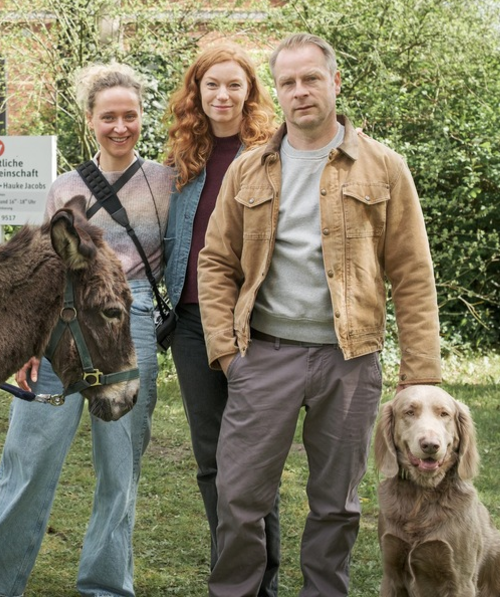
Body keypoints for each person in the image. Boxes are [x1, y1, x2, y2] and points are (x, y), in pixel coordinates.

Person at [198, 33, 442, 597]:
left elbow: (412, 273)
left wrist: (422, 373)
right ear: (277, 92)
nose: (300, 91)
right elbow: (215, 263)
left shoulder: (383, 168)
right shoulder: (249, 169)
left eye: (311, 79)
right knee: (239, 500)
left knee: (336, 505)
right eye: (288, 82)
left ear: (334, 82)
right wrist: (228, 353)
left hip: (349, 362)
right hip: (264, 356)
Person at [0, 63, 173, 597]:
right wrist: (29, 343)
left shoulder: (166, 181)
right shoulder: (64, 187)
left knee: (119, 467)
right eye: (109, 116)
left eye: (130, 115)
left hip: (130, 327)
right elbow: (45, 271)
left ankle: (106, 585)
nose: (120, 126)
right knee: (28, 456)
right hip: (61, 330)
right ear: (90, 120)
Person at [160, 43, 281, 595]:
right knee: (211, 461)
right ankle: (232, 577)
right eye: (212, 85)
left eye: (234, 85)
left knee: (254, 463)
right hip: (191, 324)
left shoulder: (273, 155)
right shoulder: (182, 159)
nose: (223, 95)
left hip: (255, 326)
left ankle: (264, 581)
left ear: (250, 93)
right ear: (197, 93)